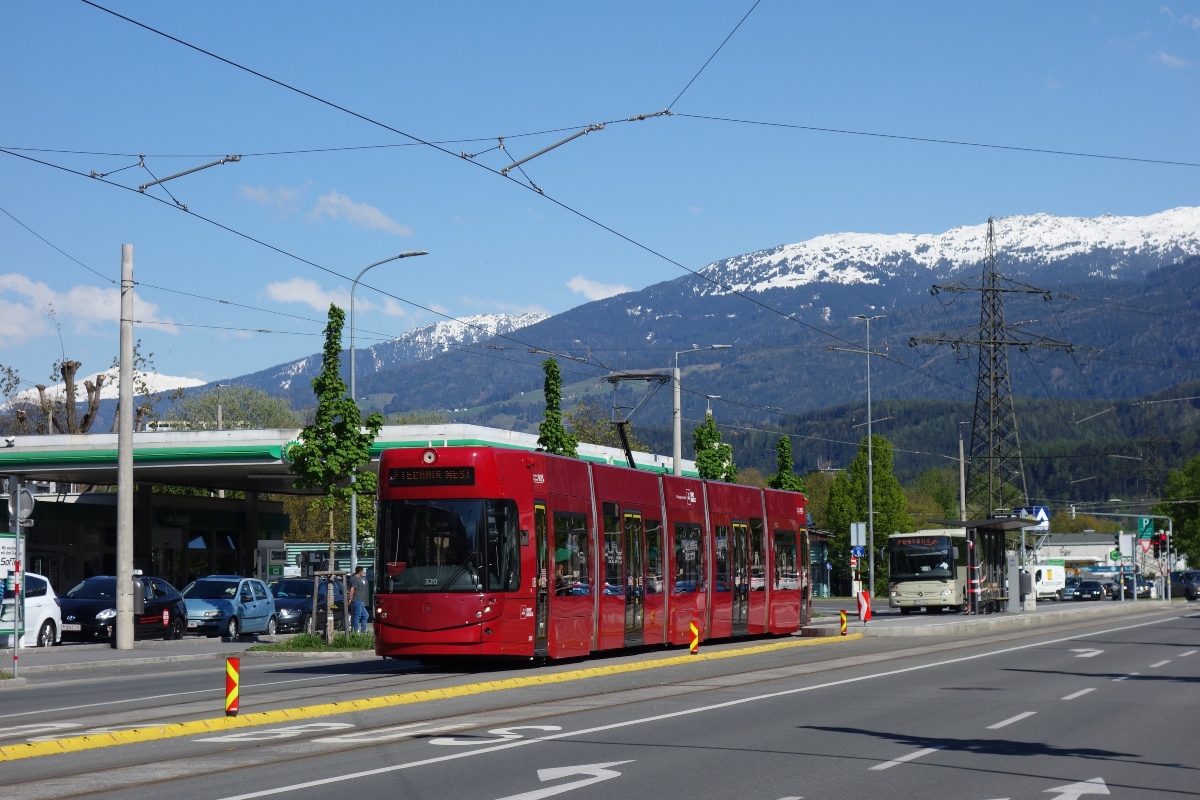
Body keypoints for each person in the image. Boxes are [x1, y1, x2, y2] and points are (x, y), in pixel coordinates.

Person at [348, 566, 369, 633]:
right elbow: (352, 589)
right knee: (357, 616)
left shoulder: (357, 578)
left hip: (360, 600)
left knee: (365, 615)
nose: (363, 572)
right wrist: (350, 598)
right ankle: (355, 631)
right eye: (362, 571)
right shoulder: (355, 579)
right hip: (357, 600)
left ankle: (363, 631)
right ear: (360, 571)